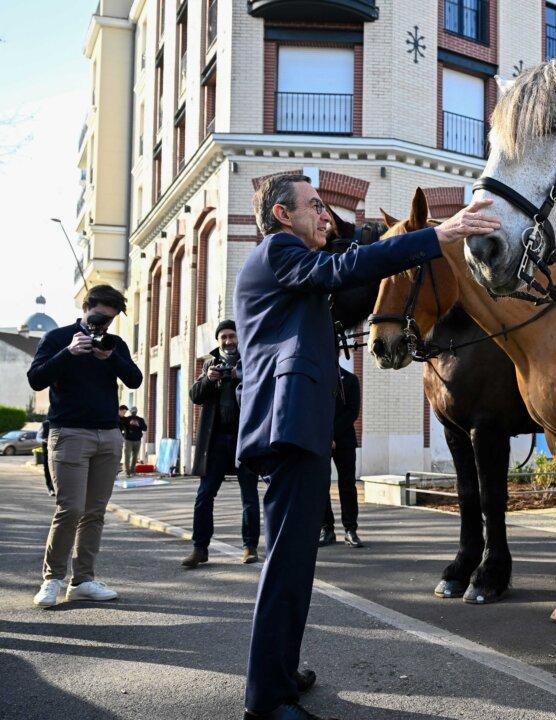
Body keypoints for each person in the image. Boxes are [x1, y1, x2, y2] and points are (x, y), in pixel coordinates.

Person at [236, 173, 499, 720]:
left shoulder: (294, 263)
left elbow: (348, 274)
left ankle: (280, 671)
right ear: (284, 215)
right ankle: (267, 700)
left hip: (300, 425)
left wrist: (376, 241)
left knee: (296, 563)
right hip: (288, 427)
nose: (324, 216)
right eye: (314, 207)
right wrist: (436, 235)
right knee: (285, 566)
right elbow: (343, 269)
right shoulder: (278, 252)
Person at [27, 284, 143, 607]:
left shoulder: (114, 344)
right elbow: (36, 378)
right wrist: (68, 353)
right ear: (86, 306)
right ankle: (52, 579)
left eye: (109, 321)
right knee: (71, 508)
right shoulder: (57, 338)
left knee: (95, 512)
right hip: (69, 433)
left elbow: (134, 379)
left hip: (108, 435)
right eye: (98, 318)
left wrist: (112, 357)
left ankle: (83, 579)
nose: (102, 326)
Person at [182, 320, 262, 568]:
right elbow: (195, 396)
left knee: (249, 496)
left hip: (244, 439)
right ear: (218, 341)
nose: (228, 341)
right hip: (214, 442)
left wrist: (242, 376)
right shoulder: (210, 363)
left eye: (231, 336)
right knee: (204, 495)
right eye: (223, 337)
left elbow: (263, 387)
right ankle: (200, 548)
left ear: (239, 337)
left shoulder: (251, 359)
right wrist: (208, 379)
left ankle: (249, 547)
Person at [319, 365, 362, 548]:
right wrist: (325, 437)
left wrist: (333, 435)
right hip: (320, 440)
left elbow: (352, 412)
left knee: (347, 485)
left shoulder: (350, 379)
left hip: (344, 440)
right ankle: (326, 529)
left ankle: (350, 530)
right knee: (321, 486)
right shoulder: (316, 379)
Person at [120, 406, 147, 477]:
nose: (134, 412)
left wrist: (138, 425)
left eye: (135, 411)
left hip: (137, 440)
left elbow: (145, 428)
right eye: (133, 411)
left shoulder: (140, 419)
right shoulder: (127, 419)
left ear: (136, 411)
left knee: (135, 457)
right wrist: (129, 424)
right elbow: (121, 426)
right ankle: (127, 472)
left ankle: (132, 471)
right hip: (128, 440)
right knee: (127, 456)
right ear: (131, 412)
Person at [38, 419, 55, 496]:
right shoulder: (45, 424)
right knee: (47, 469)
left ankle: (56, 488)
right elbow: (38, 438)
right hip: (46, 450)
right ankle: (50, 488)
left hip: (58, 450)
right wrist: (44, 440)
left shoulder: (61, 423)